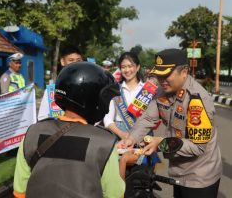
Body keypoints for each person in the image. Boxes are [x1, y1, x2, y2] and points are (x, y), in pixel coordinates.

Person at [13, 62, 125, 198]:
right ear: (93, 100)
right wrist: (124, 162)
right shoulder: (104, 143)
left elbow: (19, 192)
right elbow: (115, 194)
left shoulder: (32, 134)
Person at [123, 49, 222, 198]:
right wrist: (131, 139)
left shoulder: (198, 99)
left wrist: (161, 143)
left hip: (200, 176)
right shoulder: (162, 90)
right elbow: (148, 118)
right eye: (159, 74)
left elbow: (198, 147)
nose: (162, 80)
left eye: (167, 74)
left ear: (184, 72)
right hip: (177, 171)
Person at [38, 45, 83, 120]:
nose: (75, 64)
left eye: (78, 60)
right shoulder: (51, 91)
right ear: (62, 61)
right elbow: (42, 118)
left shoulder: (87, 89)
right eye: (71, 60)